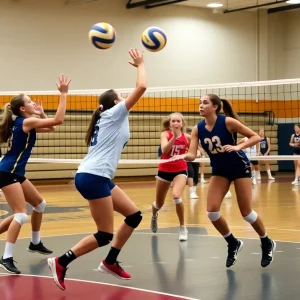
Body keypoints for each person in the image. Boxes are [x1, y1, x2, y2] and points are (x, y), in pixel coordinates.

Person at [47, 49, 146, 291]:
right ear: (114, 102)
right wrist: (141, 64)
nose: (125, 97)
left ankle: (110, 261)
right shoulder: (114, 114)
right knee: (104, 234)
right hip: (93, 177)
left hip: (98, 176)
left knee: (134, 216)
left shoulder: (112, 117)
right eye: (121, 96)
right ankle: (61, 261)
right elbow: (142, 87)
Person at [170, 94, 276, 268]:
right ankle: (232, 242)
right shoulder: (197, 129)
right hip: (220, 170)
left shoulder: (227, 122)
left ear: (215, 107)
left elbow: (255, 137)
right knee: (212, 212)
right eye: (199, 103)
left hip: (239, 167)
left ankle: (266, 241)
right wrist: (182, 156)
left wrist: (238, 147)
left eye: (205, 103)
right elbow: (192, 153)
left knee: (246, 213)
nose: (200, 106)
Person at [0, 74, 71, 274]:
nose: (33, 103)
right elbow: (59, 120)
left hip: (15, 172)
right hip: (8, 172)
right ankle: (6, 257)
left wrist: (41, 114)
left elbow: (51, 127)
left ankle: (35, 242)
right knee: (21, 215)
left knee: (40, 204)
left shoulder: (26, 122)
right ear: (23, 108)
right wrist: (63, 94)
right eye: (30, 101)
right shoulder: (25, 122)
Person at [150, 112, 189, 241]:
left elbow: (198, 151)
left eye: (178, 121)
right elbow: (165, 150)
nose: (176, 123)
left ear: (182, 123)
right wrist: (174, 137)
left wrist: (188, 155)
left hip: (180, 169)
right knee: (159, 204)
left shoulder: (187, 137)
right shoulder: (165, 134)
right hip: (164, 169)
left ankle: (183, 227)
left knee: (176, 196)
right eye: (173, 121)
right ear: (169, 123)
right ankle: (154, 214)